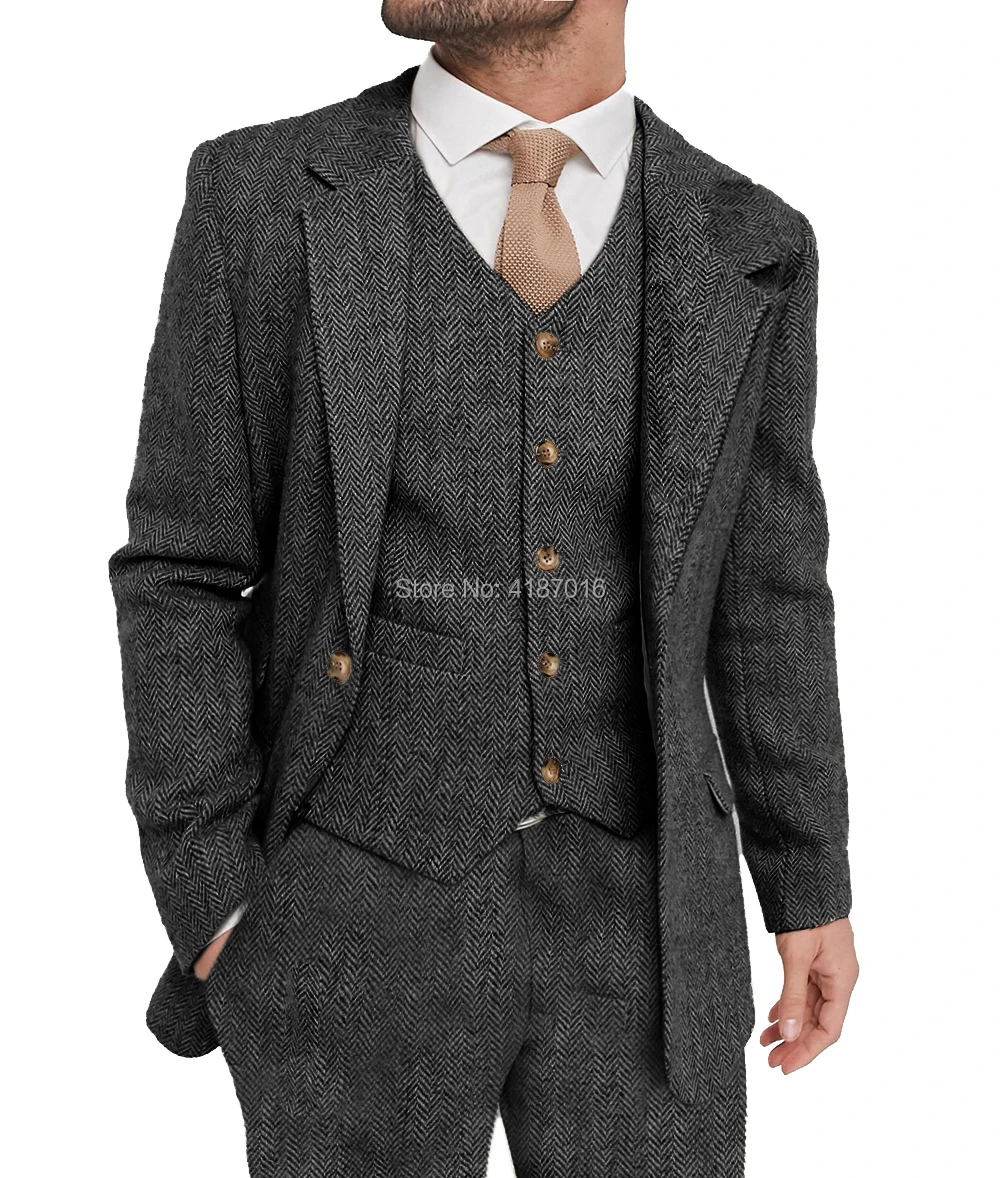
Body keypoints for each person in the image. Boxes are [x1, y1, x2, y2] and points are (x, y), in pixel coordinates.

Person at [109, 2, 859, 1174]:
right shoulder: (259, 195)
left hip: (652, 924)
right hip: (343, 906)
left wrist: (807, 881)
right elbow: (183, 567)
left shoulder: (749, 239)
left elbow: (766, 590)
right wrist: (215, 896)